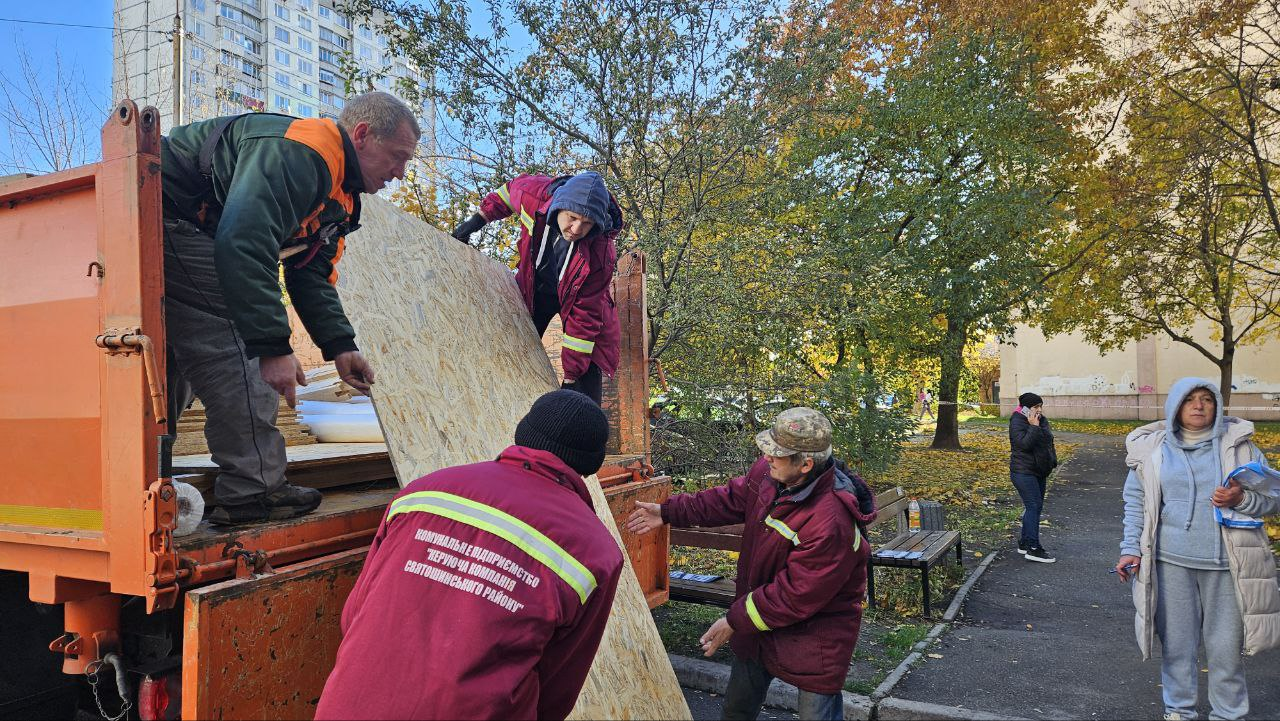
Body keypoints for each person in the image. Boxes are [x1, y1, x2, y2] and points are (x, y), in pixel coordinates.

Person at [161, 91, 421, 524]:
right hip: (165, 213)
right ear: (361, 135)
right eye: (397, 157)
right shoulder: (306, 152)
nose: (400, 173)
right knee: (235, 335)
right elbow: (244, 243)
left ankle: (147, 475)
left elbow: (310, 274)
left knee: (174, 357)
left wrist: (340, 346)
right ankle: (252, 490)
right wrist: (272, 346)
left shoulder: (342, 197)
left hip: (188, 229)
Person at [316, 390, 623, 720]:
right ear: (591, 463)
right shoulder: (595, 552)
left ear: (523, 433)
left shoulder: (420, 494)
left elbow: (355, 614)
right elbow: (557, 686)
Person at [626, 407, 874, 721]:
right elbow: (726, 500)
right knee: (737, 711)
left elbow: (796, 594)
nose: (766, 456)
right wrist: (666, 512)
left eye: (776, 453)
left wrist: (734, 620)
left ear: (806, 464)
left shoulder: (831, 521)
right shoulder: (770, 474)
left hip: (815, 635)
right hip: (758, 623)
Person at [1115, 378, 1280, 721]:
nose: (1199, 405)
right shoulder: (1153, 451)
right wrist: (1131, 547)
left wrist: (1242, 498)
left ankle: (1229, 715)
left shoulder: (1242, 449)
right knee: (1177, 649)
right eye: (1190, 399)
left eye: (1207, 399)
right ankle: (1179, 712)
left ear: (1217, 406)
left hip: (1227, 566)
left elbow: (1272, 498)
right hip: (1169, 562)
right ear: (1175, 405)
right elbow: (1136, 502)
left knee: (1225, 653)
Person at [450, 172, 623, 405]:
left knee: (584, 377)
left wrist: (571, 377)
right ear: (559, 207)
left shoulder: (600, 253)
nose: (576, 228)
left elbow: (584, 318)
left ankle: (579, 424)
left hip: (578, 300)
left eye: (587, 223)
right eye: (572, 217)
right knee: (513, 348)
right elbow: (506, 193)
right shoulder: (533, 194)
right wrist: (477, 221)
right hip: (537, 288)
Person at [1009, 392, 1058, 563]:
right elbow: (1023, 444)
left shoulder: (1041, 420)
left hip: (1039, 471)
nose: (1039, 410)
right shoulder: (1017, 420)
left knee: (1036, 507)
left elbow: (1047, 441)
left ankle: (1024, 543)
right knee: (1033, 506)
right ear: (1025, 408)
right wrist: (1033, 427)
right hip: (1023, 472)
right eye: (1035, 407)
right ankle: (1033, 547)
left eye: (1040, 406)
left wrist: (1052, 461)